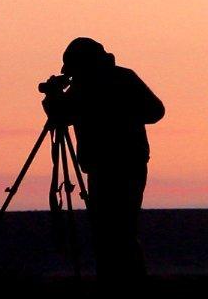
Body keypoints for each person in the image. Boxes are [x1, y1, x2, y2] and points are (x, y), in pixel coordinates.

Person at [41, 37, 166, 280]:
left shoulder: (102, 83)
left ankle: (123, 286)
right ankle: (122, 286)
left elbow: (155, 111)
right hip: (113, 165)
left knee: (116, 232)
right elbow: (62, 116)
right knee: (115, 231)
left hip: (118, 165)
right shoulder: (116, 79)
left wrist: (55, 98)